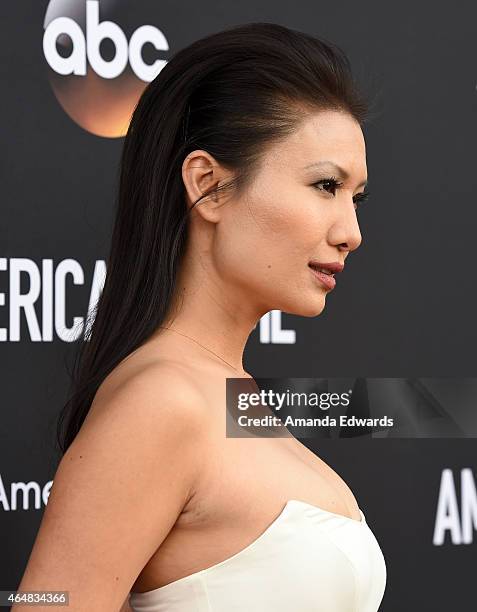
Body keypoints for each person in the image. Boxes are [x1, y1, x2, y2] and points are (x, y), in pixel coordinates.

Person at [14, 22, 386, 611]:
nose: (351, 233)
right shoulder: (163, 401)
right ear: (209, 187)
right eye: (324, 185)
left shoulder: (235, 397)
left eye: (355, 197)